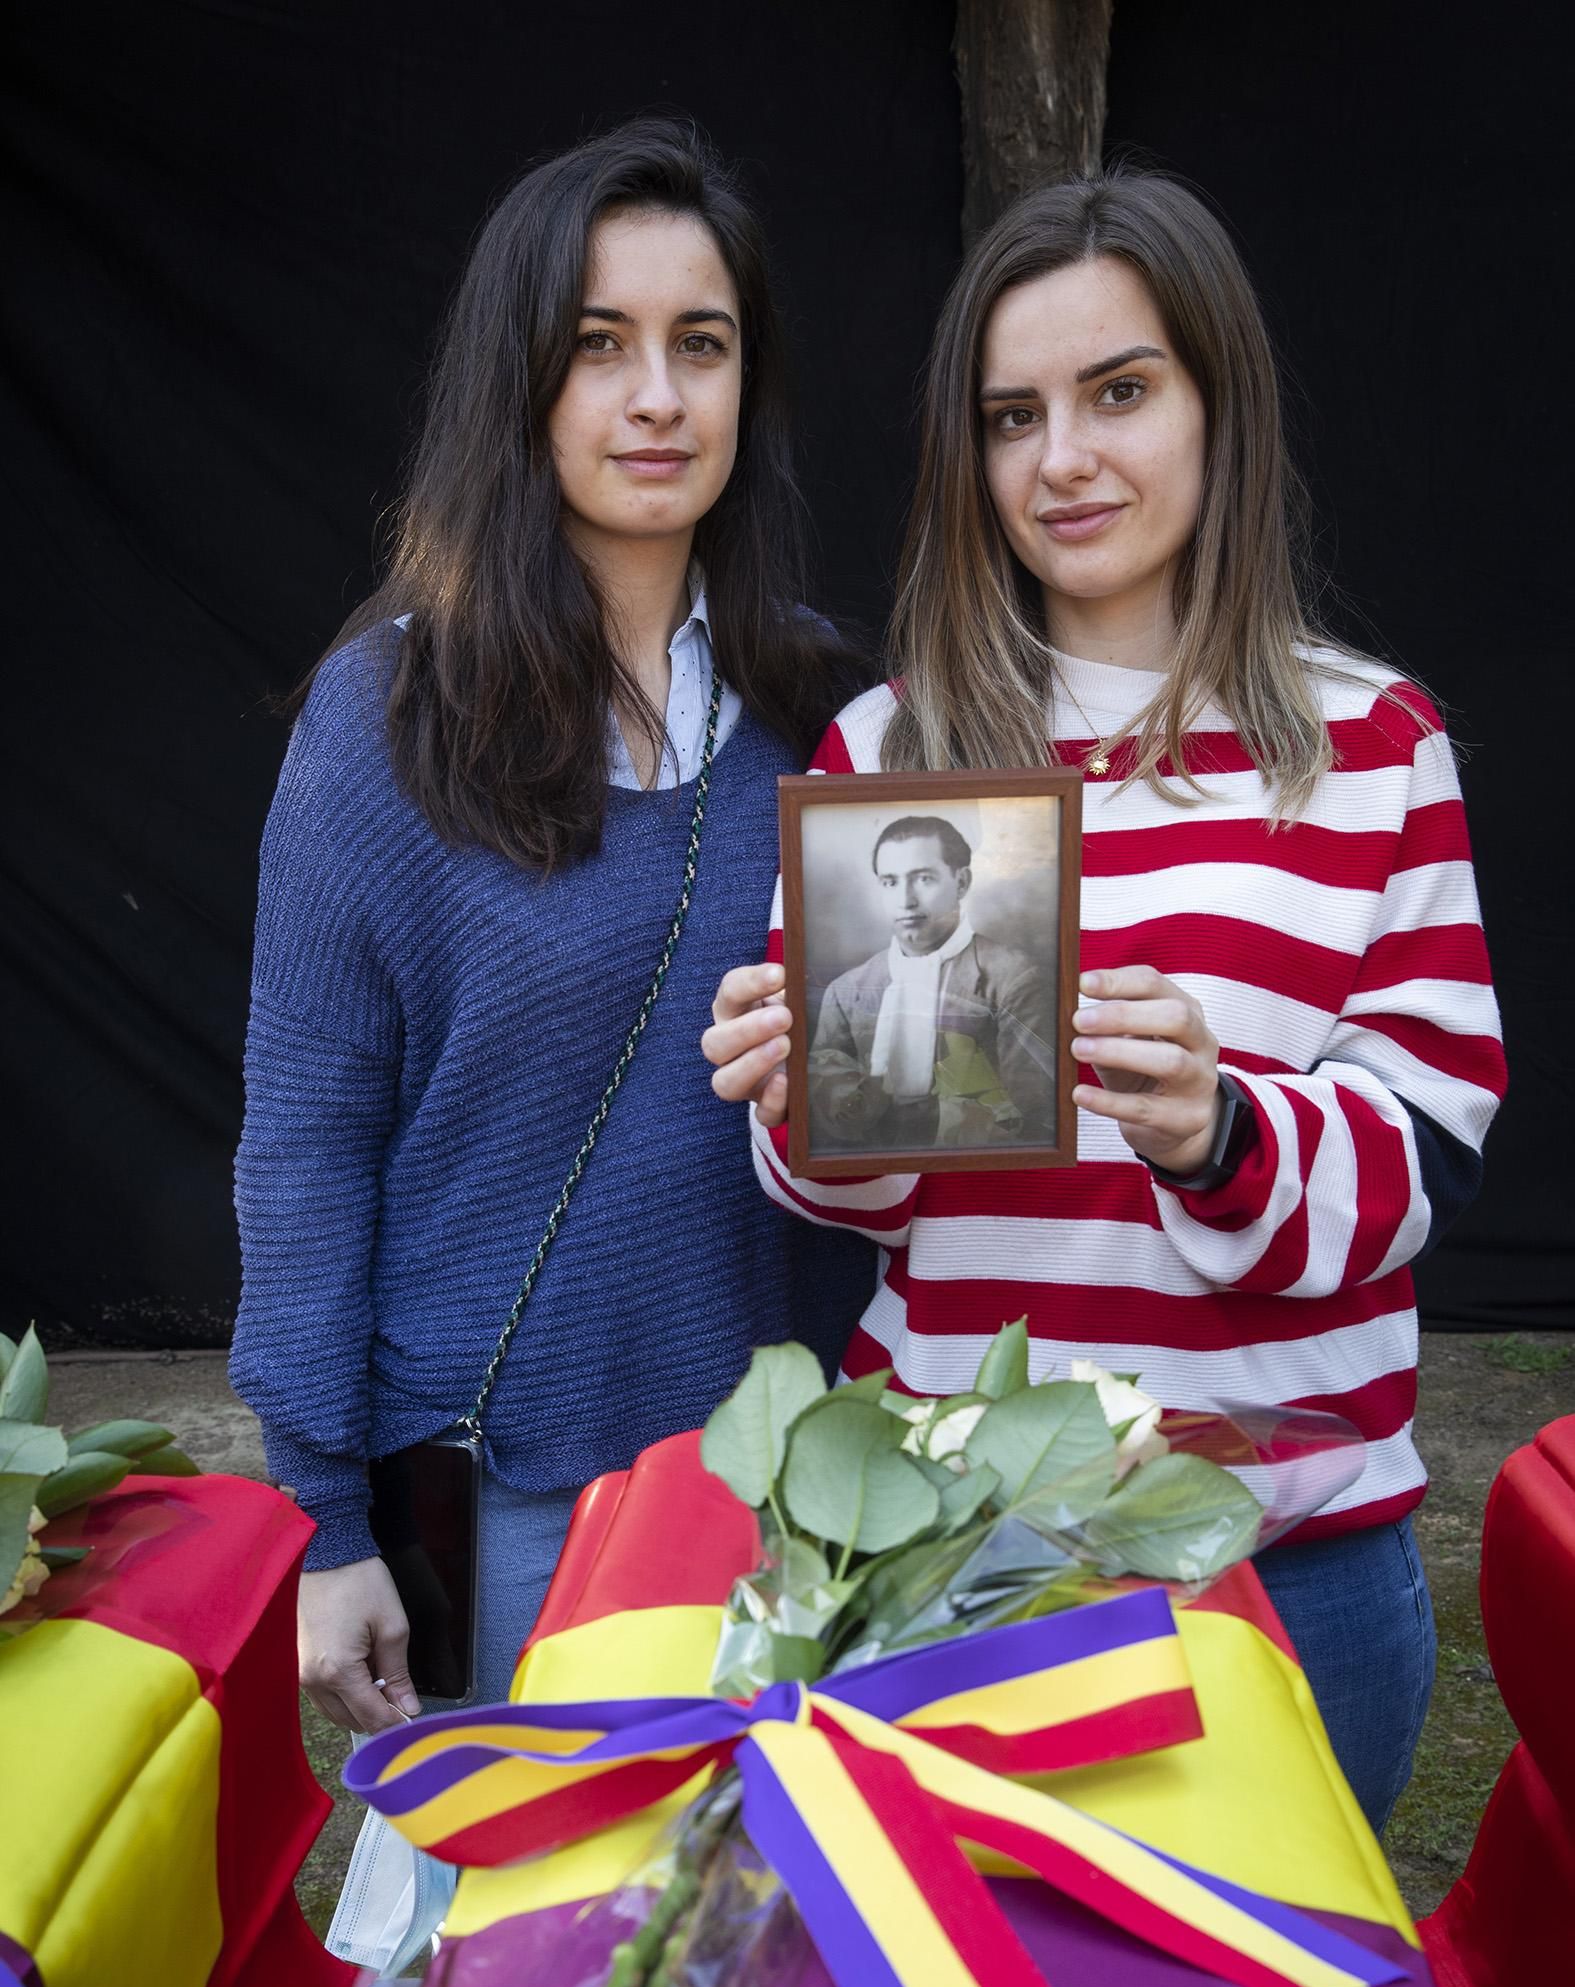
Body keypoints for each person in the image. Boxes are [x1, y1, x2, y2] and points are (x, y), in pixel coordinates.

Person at [704, 169, 1505, 1833]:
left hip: (1288, 1544)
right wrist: (806, 1103)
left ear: (1219, 404)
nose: (1060, 457)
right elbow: (862, 1193)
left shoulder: (1374, 746)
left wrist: (1223, 1132)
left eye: (1118, 391)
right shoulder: (890, 752)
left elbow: (1422, 1159)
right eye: (1012, 416)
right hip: (951, 1539)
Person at [231, 120, 868, 1730]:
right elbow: (305, 1140)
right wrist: (323, 1519)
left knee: (763, 1891)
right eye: (598, 344)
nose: (657, 395)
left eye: (699, 344)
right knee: (530, 1889)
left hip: (794, 1479)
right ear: (516, 380)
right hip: (510, 1489)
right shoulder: (387, 718)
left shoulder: (828, 708)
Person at [809, 814, 1055, 1147]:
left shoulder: (1014, 979)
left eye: (923, 879)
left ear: (962, 882)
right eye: (890, 882)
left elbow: (1037, 1119)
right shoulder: (846, 991)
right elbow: (821, 1111)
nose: (906, 900)